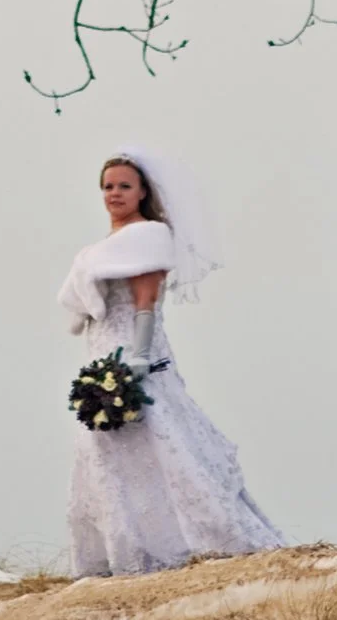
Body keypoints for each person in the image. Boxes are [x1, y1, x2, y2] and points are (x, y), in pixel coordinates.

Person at [59, 147, 284, 577]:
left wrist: (138, 358)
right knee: (105, 450)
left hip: (131, 352)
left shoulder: (147, 236)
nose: (115, 194)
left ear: (143, 190)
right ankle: (121, 552)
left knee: (159, 439)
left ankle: (188, 544)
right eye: (108, 187)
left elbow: (145, 300)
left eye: (125, 186)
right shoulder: (103, 248)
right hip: (100, 350)